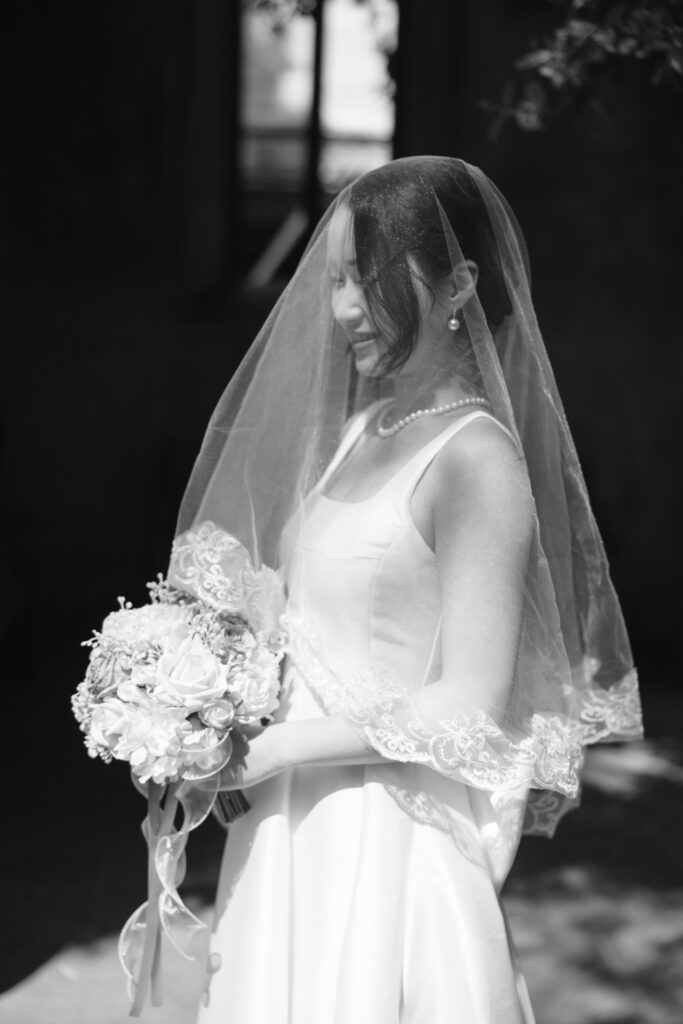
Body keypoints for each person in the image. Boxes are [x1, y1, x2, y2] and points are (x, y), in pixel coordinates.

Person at [169, 157, 643, 1023]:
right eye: (338, 279)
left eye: (371, 278)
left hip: (384, 848)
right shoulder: (360, 427)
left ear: (459, 282)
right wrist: (201, 707)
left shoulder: (475, 461)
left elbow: (468, 704)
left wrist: (279, 750)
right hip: (284, 835)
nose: (344, 308)